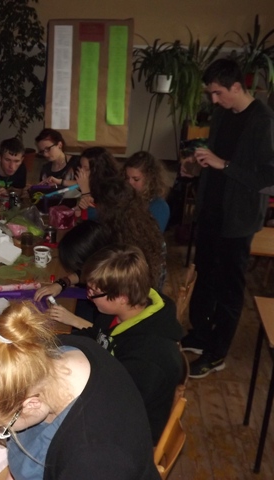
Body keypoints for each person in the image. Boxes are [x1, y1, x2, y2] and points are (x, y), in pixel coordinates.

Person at [0, 302, 160, 480]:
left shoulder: (93, 459)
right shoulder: (58, 352)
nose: (2, 433)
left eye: (2, 428)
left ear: (31, 404)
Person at [180, 58, 274, 378]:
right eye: (211, 93)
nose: (214, 99)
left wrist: (224, 165)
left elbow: (268, 178)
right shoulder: (222, 114)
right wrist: (197, 164)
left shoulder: (264, 121)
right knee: (205, 278)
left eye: (218, 92)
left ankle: (216, 353)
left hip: (239, 221)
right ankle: (199, 335)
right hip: (211, 212)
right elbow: (216, 158)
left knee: (229, 290)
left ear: (236, 86)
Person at [45, 245, 183, 444]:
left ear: (122, 298)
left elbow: (115, 406)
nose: (89, 297)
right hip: (108, 387)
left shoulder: (149, 358)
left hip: (127, 431)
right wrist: (50, 343)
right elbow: (96, 336)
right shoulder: (121, 313)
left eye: (94, 292)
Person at [33, 220, 112, 302]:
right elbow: (80, 274)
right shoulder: (104, 263)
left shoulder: (113, 284)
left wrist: (68, 312)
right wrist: (61, 284)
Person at [124, 151, 170, 232]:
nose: (129, 183)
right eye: (127, 178)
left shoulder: (159, 206)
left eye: (136, 179)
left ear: (149, 180)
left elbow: (150, 237)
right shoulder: (124, 198)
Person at [75, 146, 120, 215]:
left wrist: (86, 192)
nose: (81, 172)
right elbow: (79, 213)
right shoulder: (91, 184)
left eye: (86, 169)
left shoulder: (112, 188)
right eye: (81, 167)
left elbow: (100, 215)